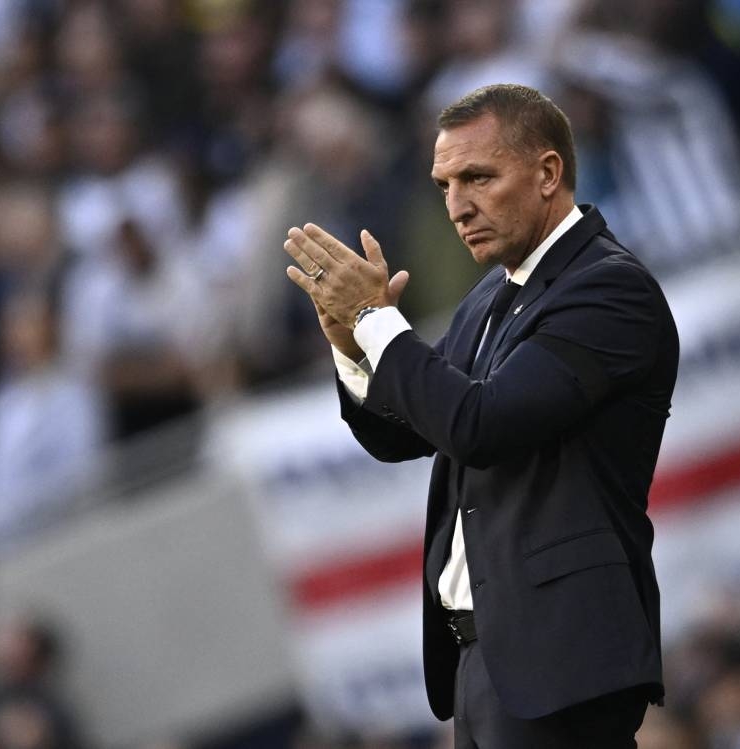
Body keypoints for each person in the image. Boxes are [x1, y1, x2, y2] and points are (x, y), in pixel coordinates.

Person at [283, 83, 679, 749]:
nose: (458, 206)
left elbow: (480, 425)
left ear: (548, 172)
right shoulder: (491, 296)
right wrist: (354, 348)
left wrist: (376, 319)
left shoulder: (609, 288)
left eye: (478, 177)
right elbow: (407, 428)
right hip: (487, 659)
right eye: (444, 185)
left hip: (562, 660)